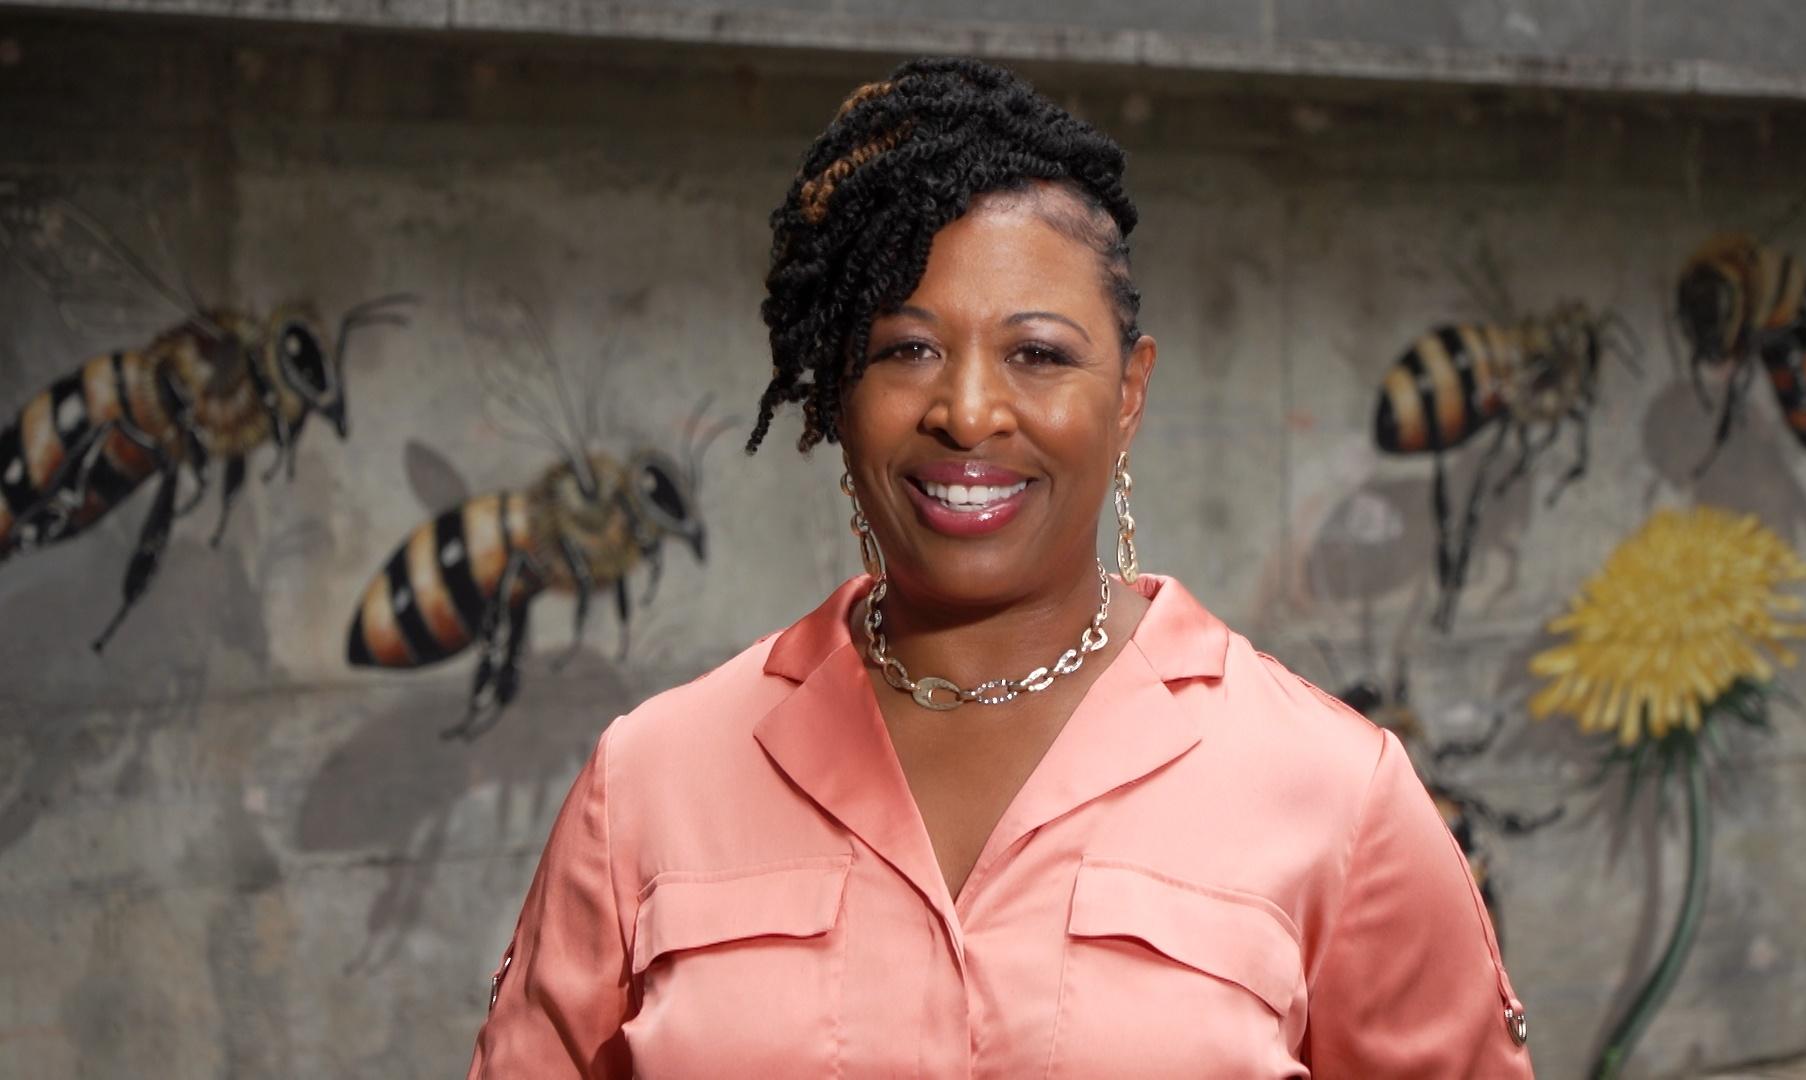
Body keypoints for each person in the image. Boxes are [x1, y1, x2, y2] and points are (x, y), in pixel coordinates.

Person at [468, 56, 1535, 1078]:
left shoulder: (1338, 798)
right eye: (904, 349)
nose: (968, 412)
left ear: (1128, 396)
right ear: (839, 391)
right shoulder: (651, 784)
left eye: (1038, 354)